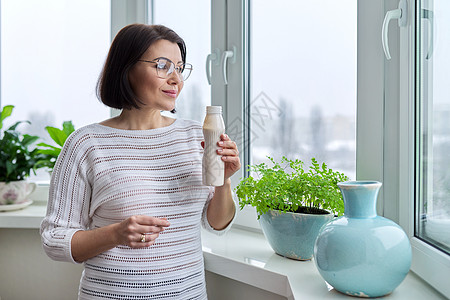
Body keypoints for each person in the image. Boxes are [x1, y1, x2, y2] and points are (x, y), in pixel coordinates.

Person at [40, 23, 240, 300]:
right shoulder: (86, 144)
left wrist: (224, 180)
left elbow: (216, 223)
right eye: (162, 65)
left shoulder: (197, 135)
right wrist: (116, 234)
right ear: (126, 68)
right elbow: (54, 239)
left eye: (180, 69)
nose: (176, 79)